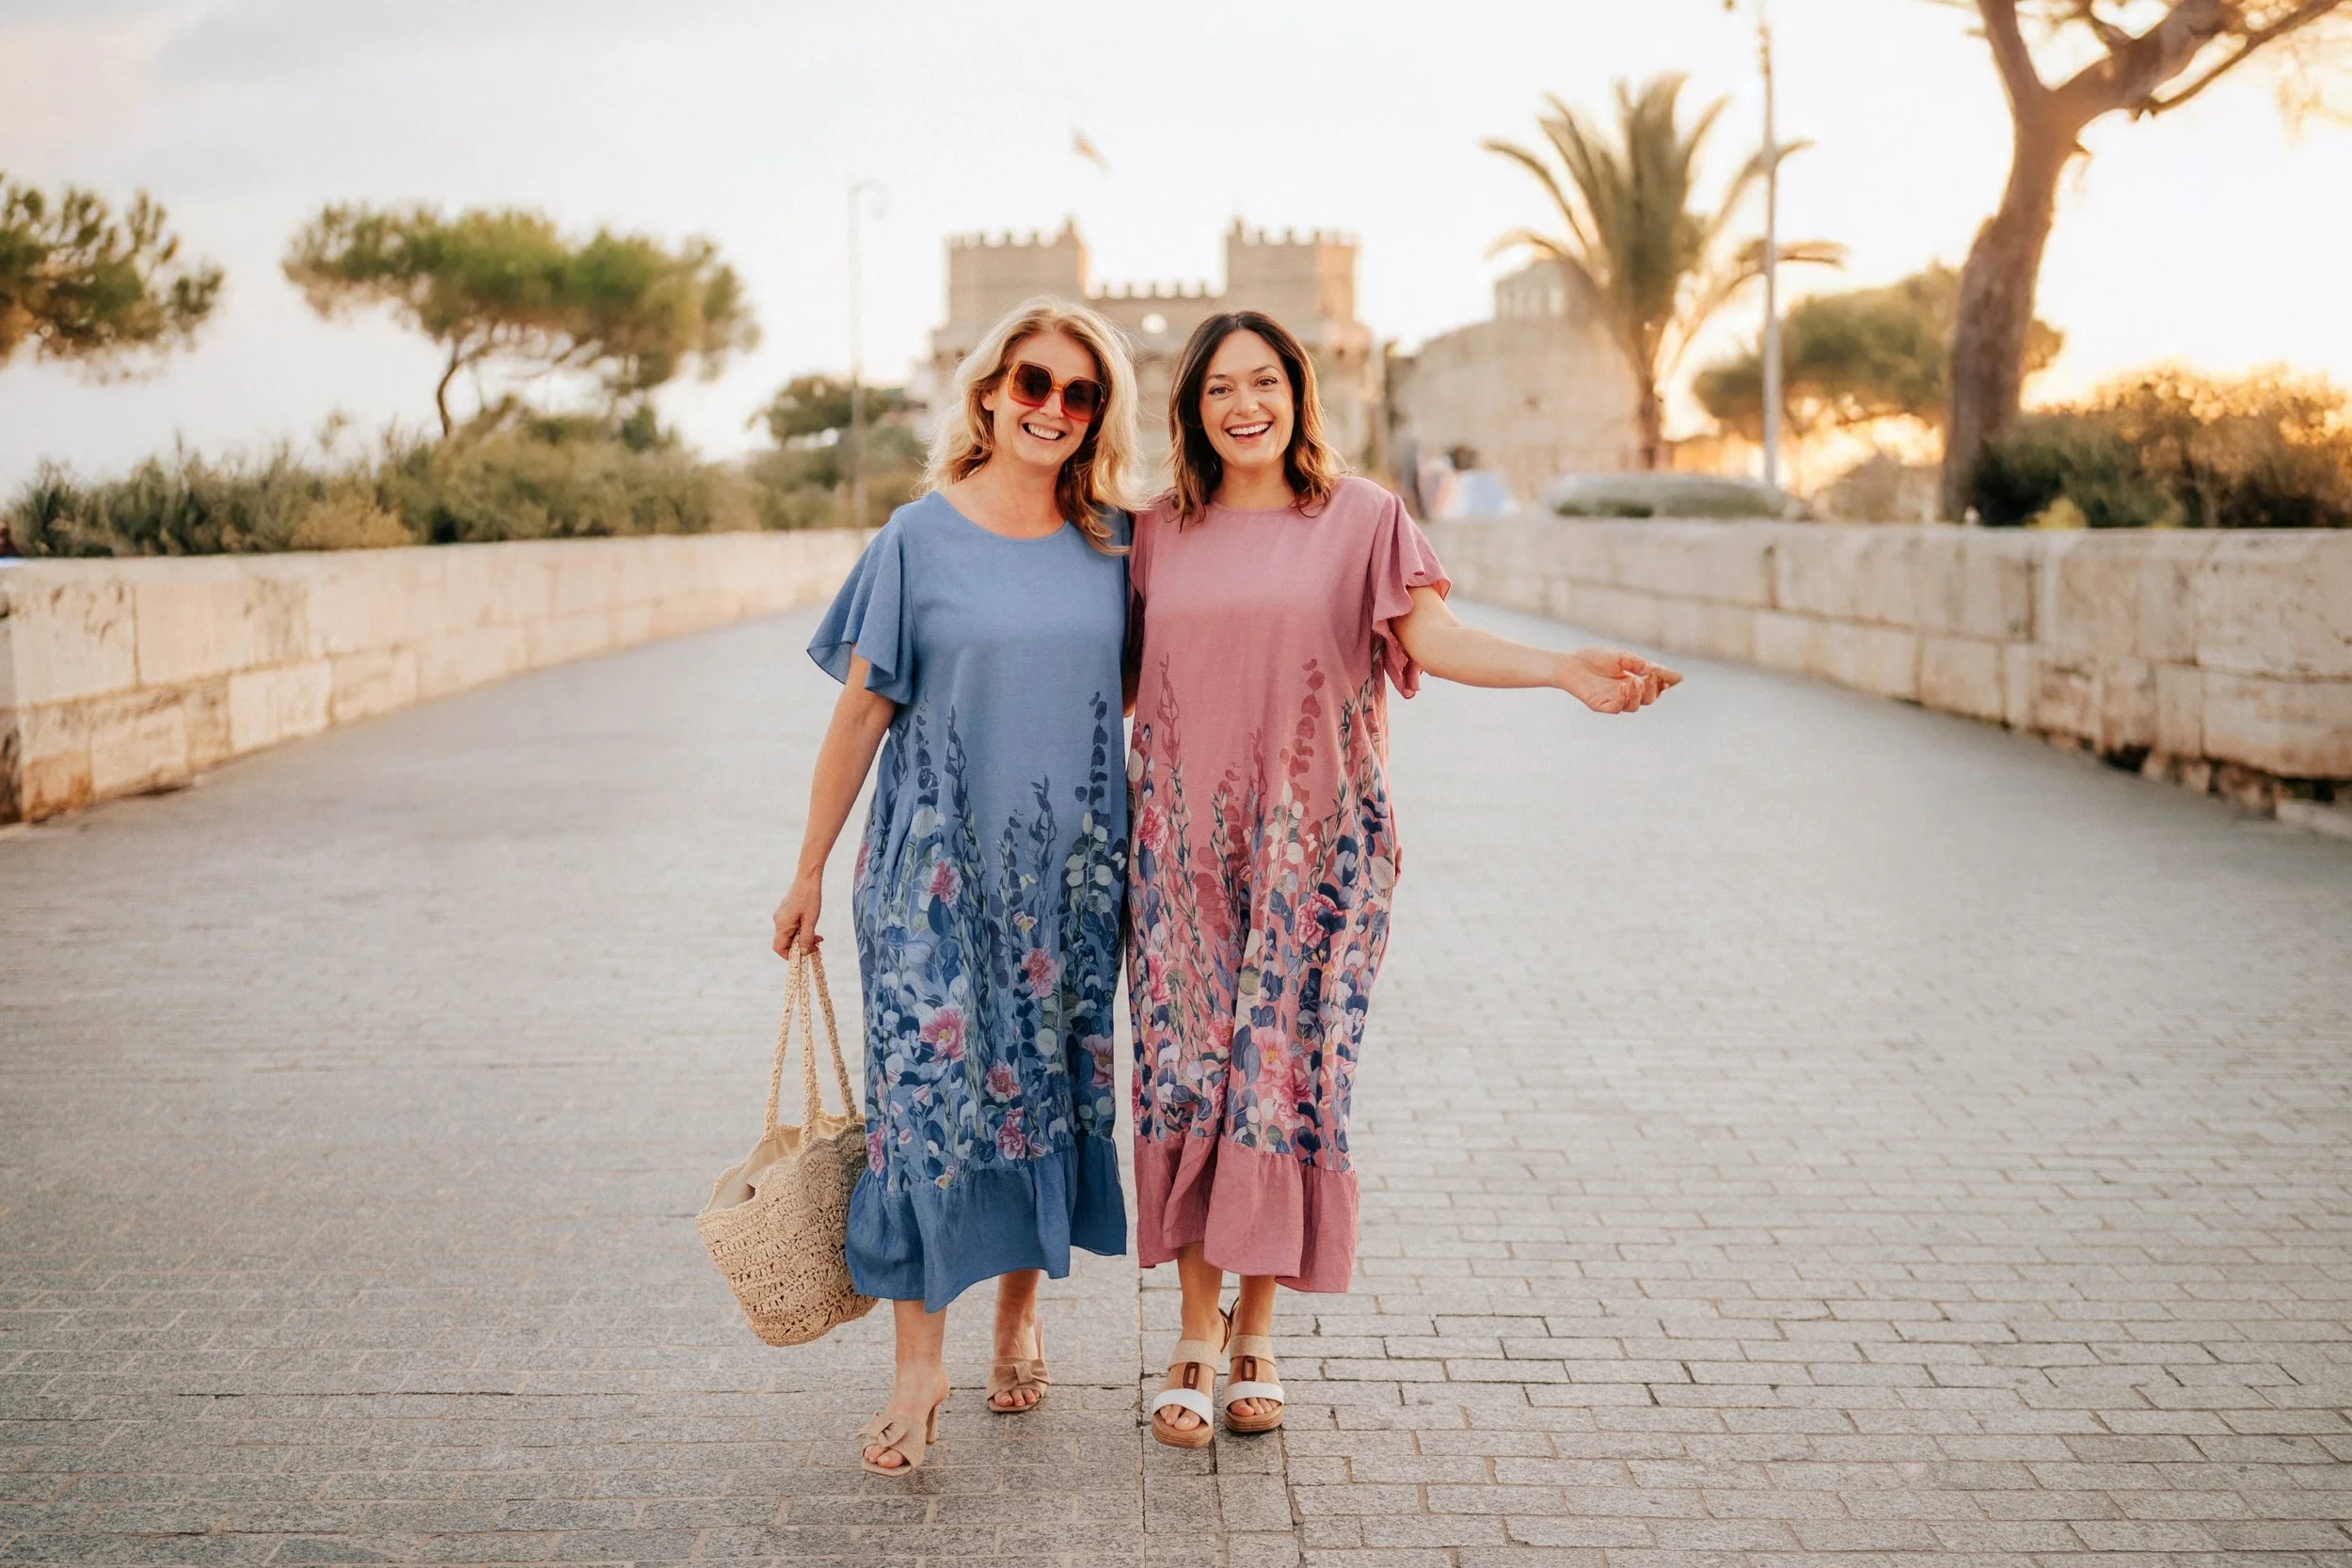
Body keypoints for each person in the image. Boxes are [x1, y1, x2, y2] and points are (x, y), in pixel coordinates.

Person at [1126, 310, 1678, 1447]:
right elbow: (1096, 672)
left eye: (1264, 382)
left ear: (1298, 392)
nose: (1244, 405)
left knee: (1281, 1077)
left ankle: (1255, 1333)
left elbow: (1432, 635)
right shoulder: (1155, 531)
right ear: (1190, 406)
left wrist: (1560, 670)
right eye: (1220, 387)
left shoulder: (1363, 517)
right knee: (1187, 1074)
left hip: (1318, 846)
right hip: (1178, 849)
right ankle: (1190, 1324)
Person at [771, 297, 1142, 1475]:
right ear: (988, 391)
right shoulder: (913, 540)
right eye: (1033, 383)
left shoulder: (1118, 544)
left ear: (1098, 418)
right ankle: (916, 1366)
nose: (1052, 409)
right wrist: (807, 867)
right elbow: (861, 711)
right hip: (928, 884)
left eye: (1080, 395)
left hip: (1068, 892)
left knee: (1037, 1092)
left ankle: (1019, 1314)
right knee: (923, 1106)